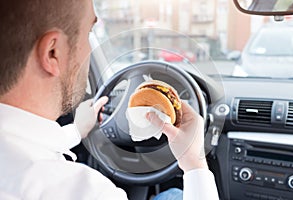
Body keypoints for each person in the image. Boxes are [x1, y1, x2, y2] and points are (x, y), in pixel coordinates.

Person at [0, 0, 219, 199]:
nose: (90, 48)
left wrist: (76, 131)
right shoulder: (86, 192)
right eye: (89, 33)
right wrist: (195, 164)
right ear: (52, 53)